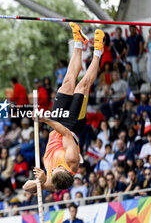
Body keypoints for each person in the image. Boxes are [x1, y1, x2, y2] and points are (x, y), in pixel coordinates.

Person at [23, 23, 105, 192]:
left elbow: (26, 188)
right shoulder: (72, 161)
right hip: (71, 125)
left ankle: (79, 42)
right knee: (82, 86)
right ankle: (98, 51)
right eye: (58, 169)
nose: (55, 168)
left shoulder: (53, 182)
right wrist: (45, 119)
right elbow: (66, 133)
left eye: (53, 171)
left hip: (56, 125)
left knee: (67, 81)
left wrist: (42, 182)